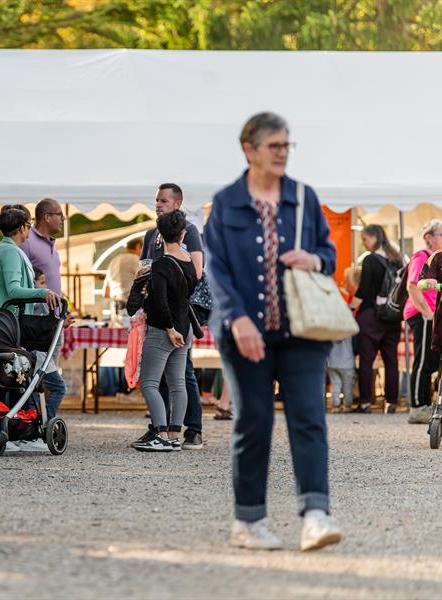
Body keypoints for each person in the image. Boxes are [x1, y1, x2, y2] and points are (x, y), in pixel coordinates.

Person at [205, 111, 341, 551]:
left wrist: (314, 260)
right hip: (245, 331)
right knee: (254, 421)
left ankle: (316, 516)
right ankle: (247, 522)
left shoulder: (304, 197)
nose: (283, 153)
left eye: (287, 145)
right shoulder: (227, 203)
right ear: (250, 150)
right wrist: (238, 318)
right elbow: (216, 270)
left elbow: (329, 253)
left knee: (309, 419)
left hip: (303, 330)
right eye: (275, 146)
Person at [0, 207, 60, 452]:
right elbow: (13, 290)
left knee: (1, 377)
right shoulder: (12, 252)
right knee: (16, 374)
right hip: (8, 322)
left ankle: (6, 430)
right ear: (24, 227)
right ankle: (19, 433)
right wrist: (42, 292)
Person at [141, 183, 204, 450]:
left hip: (173, 314)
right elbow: (144, 266)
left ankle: (191, 429)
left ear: (177, 203)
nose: (158, 204)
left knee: (173, 377)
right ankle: (165, 430)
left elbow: (197, 272)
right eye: (157, 200)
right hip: (167, 313)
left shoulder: (188, 231)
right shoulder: (150, 234)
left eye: (164, 200)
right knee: (172, 377)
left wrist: (161, 279)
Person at [19, 198, 70, 421]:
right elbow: (23, 280)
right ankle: (31, 424)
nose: (63, 219)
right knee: (38, 377)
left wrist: (63, 310)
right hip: (36, 323)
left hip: (54, 320)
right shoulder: (27, 240)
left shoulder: (52, 243)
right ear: (46, 217)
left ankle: (42, 425)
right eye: (60, 214)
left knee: (50, 374)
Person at [350, 224, 403, 414]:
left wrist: (350, 309)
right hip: (392, 316)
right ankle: (391, 402)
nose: (364, 244)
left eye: (365, 239)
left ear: (374, 237)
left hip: (370, 316)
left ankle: (365, 403)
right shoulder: (396, 260)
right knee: (391, 361)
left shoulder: (370, 260)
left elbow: (363, 291)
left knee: (366, 359)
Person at [404, 220, 442, 424]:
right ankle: (418, 407)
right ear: (429, 237)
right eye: (441, 235)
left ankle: (425, 404)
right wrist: (427, 313)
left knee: (429, 361)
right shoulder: (422, 256)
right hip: (422, 314)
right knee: (422, 361)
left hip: (430, 314)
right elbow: (412, 286)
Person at [328, 267, 360, 413]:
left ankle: (335, 405)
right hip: (347, 362)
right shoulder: (350, 329)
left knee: (335, 384)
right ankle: (347, 405)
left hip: (333, 361)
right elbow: (355, 345)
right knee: (347, 385)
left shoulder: (332, 329)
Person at [104, 238, 143, 314]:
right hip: (130, 305)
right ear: (138, 246)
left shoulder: (114, 260)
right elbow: (144, 280)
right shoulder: (135, 259)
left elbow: (106, 292)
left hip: (115, 305)